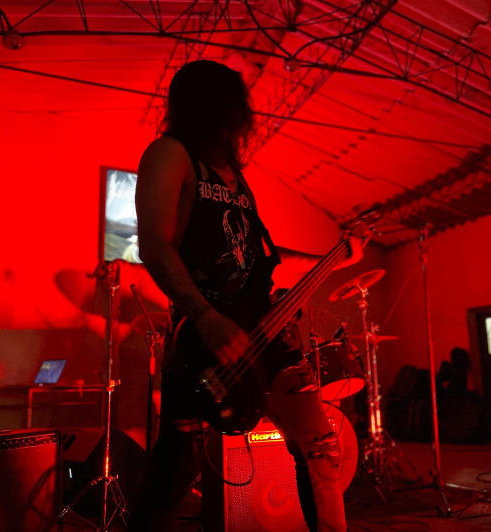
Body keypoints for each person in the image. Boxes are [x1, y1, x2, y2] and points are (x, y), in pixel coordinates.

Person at [128, 60, 359, 532]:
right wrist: (206, 317)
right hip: (203, 338)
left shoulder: (234, 175)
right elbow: (154, 244)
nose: (245, 116)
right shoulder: (170, 154)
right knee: (177, 467)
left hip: (265, 330)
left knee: (320, 446)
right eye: (237, 103)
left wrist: (337, 257)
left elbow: (260, 258)